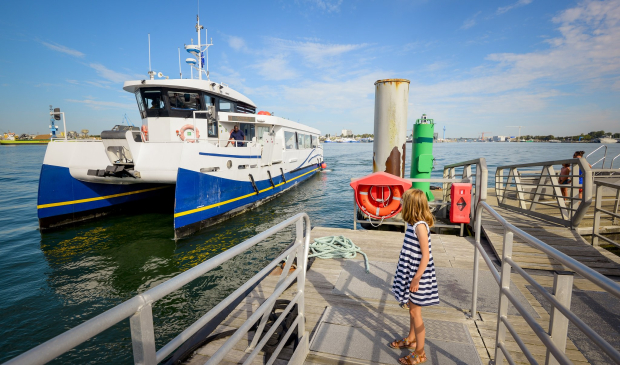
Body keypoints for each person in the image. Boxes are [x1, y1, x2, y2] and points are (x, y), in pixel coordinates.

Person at [389, 189, 438, 364]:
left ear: (411, 206)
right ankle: (411, 339)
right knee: (411, 308)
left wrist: (416, 278)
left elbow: (426, 255)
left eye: (403, 202)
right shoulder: (412, 224)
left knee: (416, 312)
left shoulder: (420, 227)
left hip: (419, 276)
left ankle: (420, 352)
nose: (401, 204)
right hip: (410, 274)